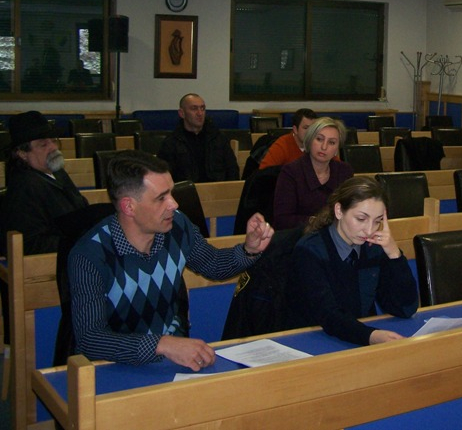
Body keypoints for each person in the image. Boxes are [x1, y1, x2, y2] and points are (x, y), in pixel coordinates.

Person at [68, 150, 273, 368]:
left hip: (170, 361)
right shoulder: (89, 255)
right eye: (161, 198)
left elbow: (213, 265)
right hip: (114, 368)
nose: (174, 204)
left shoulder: (177, 226)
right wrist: (162, 344)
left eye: (171, 194)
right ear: (129, 206)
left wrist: (249, 250)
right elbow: (91, 340)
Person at [288, 176, 418, 345]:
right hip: (314, 339)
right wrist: (371, 336)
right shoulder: (310, 250)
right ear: (339, 211)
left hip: (357, 336)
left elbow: (405, 308)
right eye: (361, 219)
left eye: (378, 221)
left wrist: (394, 254)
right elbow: (327, 314)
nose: (369, 230)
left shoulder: (373, 248)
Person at [0, 110, 88, 255]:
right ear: (22, 154)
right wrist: (79, 242)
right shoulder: (24, 187)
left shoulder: (57, 171)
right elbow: (30, 244)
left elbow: (80, 207)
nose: (53, 147)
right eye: (43, 145)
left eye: (53, 141)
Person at [273, 117, 354, 230]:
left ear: (337, 148)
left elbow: (350, 210)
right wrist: (316, 222)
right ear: (310, 140)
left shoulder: (344, 171)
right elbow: (282, 220)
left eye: (331, 142)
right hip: (300, 236)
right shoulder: (291, 172)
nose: (324, 147)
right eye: (319, 139)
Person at [157, 93, 239, 183]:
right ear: (182, 113)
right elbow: (164, 177)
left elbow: (232, 170)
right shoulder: (171, 143)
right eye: (194, 108)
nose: (200, 113)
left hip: (218, 189)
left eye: (202, 108)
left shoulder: (218, 138)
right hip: (186, 190)